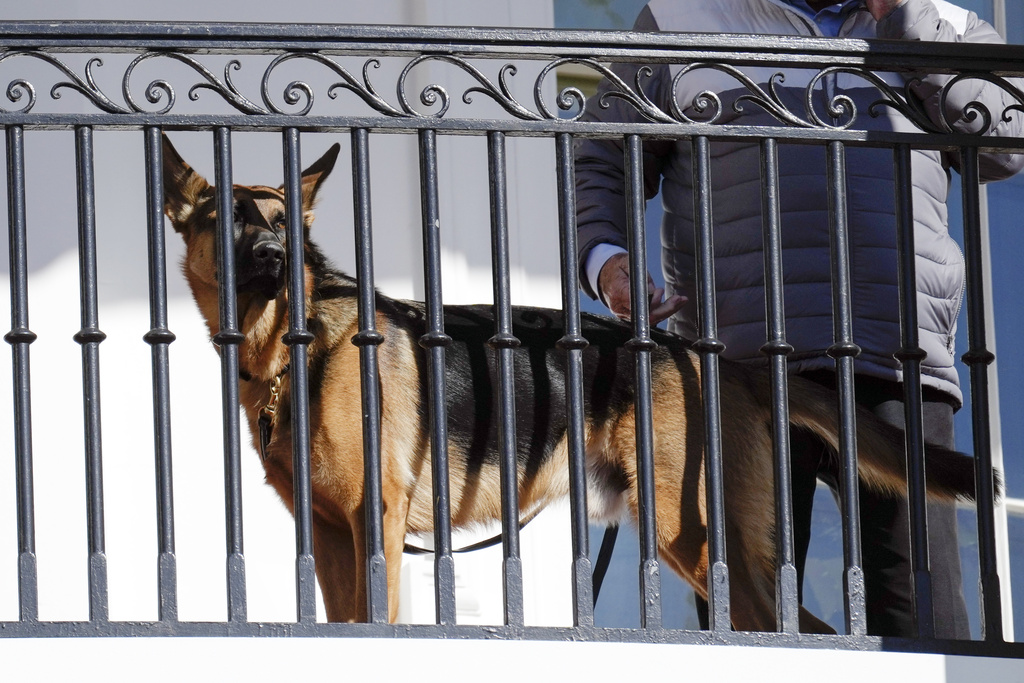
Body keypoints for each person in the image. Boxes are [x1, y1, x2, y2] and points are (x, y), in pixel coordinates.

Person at [575, 0, 1024, 637]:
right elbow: (604, 154)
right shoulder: (682, 16)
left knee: (922, 616)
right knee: (749, 615)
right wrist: (609, 261)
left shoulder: (941, 19)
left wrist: (905, 16)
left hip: (896, 354)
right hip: (737, 365)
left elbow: (1004, 146)